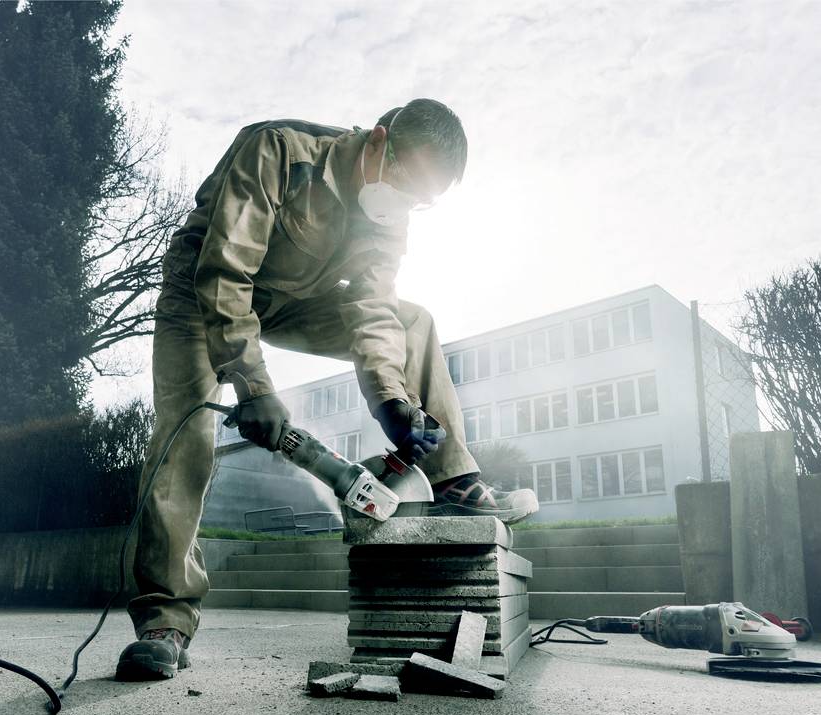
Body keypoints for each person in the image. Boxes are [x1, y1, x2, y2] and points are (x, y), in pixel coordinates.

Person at [115, 99, 539, 681]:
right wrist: (251, 384)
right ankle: (166, 618)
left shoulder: (388, 215)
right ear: (377, 139)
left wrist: (391, 399)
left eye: (421, 198)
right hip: (202, 290)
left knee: (411, 321)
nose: (404, 200)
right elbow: (228, 270)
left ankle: (453, 479)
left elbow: (373, 307)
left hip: (293, 301)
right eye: (404, 180)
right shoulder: (278, 152)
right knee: (186, 430)